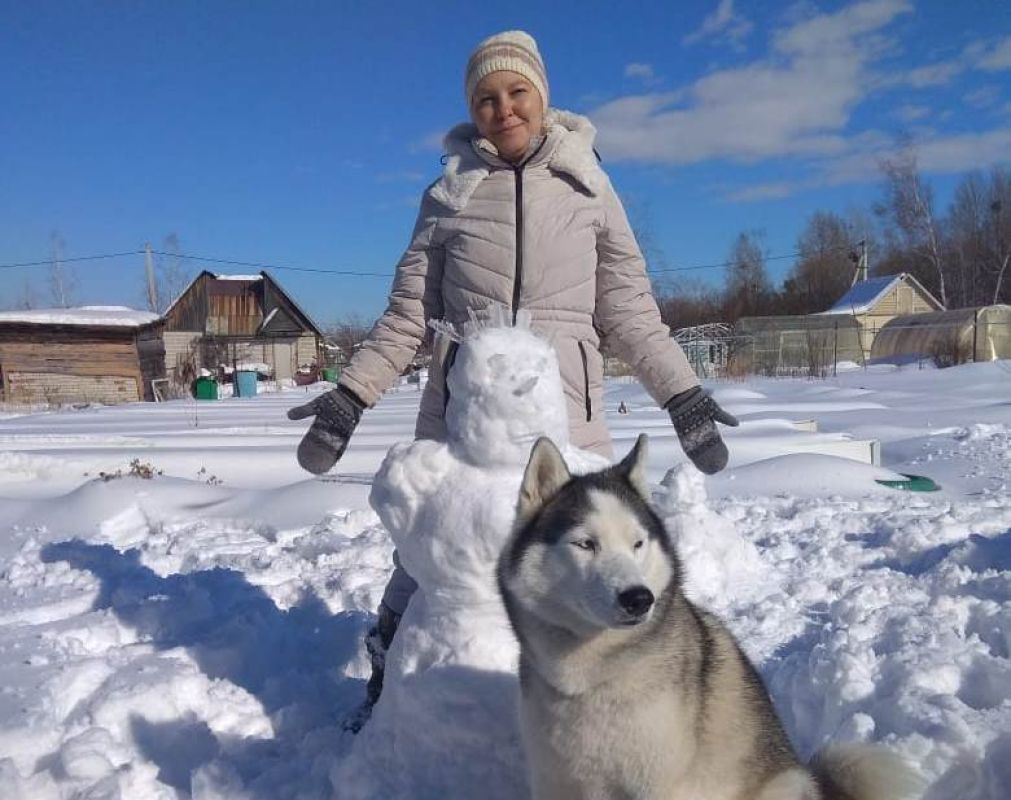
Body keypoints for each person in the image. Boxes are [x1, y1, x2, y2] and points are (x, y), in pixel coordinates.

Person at [287, 30, 738, 719]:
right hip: (458, 419)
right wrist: (350, 397)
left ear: (541, 96)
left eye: (516, 92)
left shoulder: (588, 188)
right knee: (427, 561)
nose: (503, 108)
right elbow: (407, 316)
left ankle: (590, 711)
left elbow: (629, 313)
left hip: (566, 421)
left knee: (580, 560)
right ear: (474, 111)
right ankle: (391, 684)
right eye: (486, 99)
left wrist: (682, 395)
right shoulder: (449, 196)